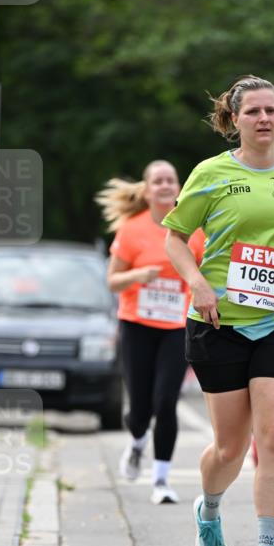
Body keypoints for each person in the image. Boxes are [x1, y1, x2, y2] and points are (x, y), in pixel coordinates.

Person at [164, 74, 274, 546]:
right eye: (253, 111)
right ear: (234, 119)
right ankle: (209, 511)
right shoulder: (210, 174)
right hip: (218, 323)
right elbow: (174, 239)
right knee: (229, 449)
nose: (264, 119)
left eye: (271, 111)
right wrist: (197, 285)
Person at [97, 160, 198, 505]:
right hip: (137, 325)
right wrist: (138, 277)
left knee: (165, 401)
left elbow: (206, 273)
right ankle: (137, 441)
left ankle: (161, 480)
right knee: (139, 409)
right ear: (148, 190)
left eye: (171, 179)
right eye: (158, 181)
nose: (166, 185)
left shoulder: (194, 229)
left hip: (177, 326)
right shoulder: (131, 230)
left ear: (179, 187)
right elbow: (112, 281)